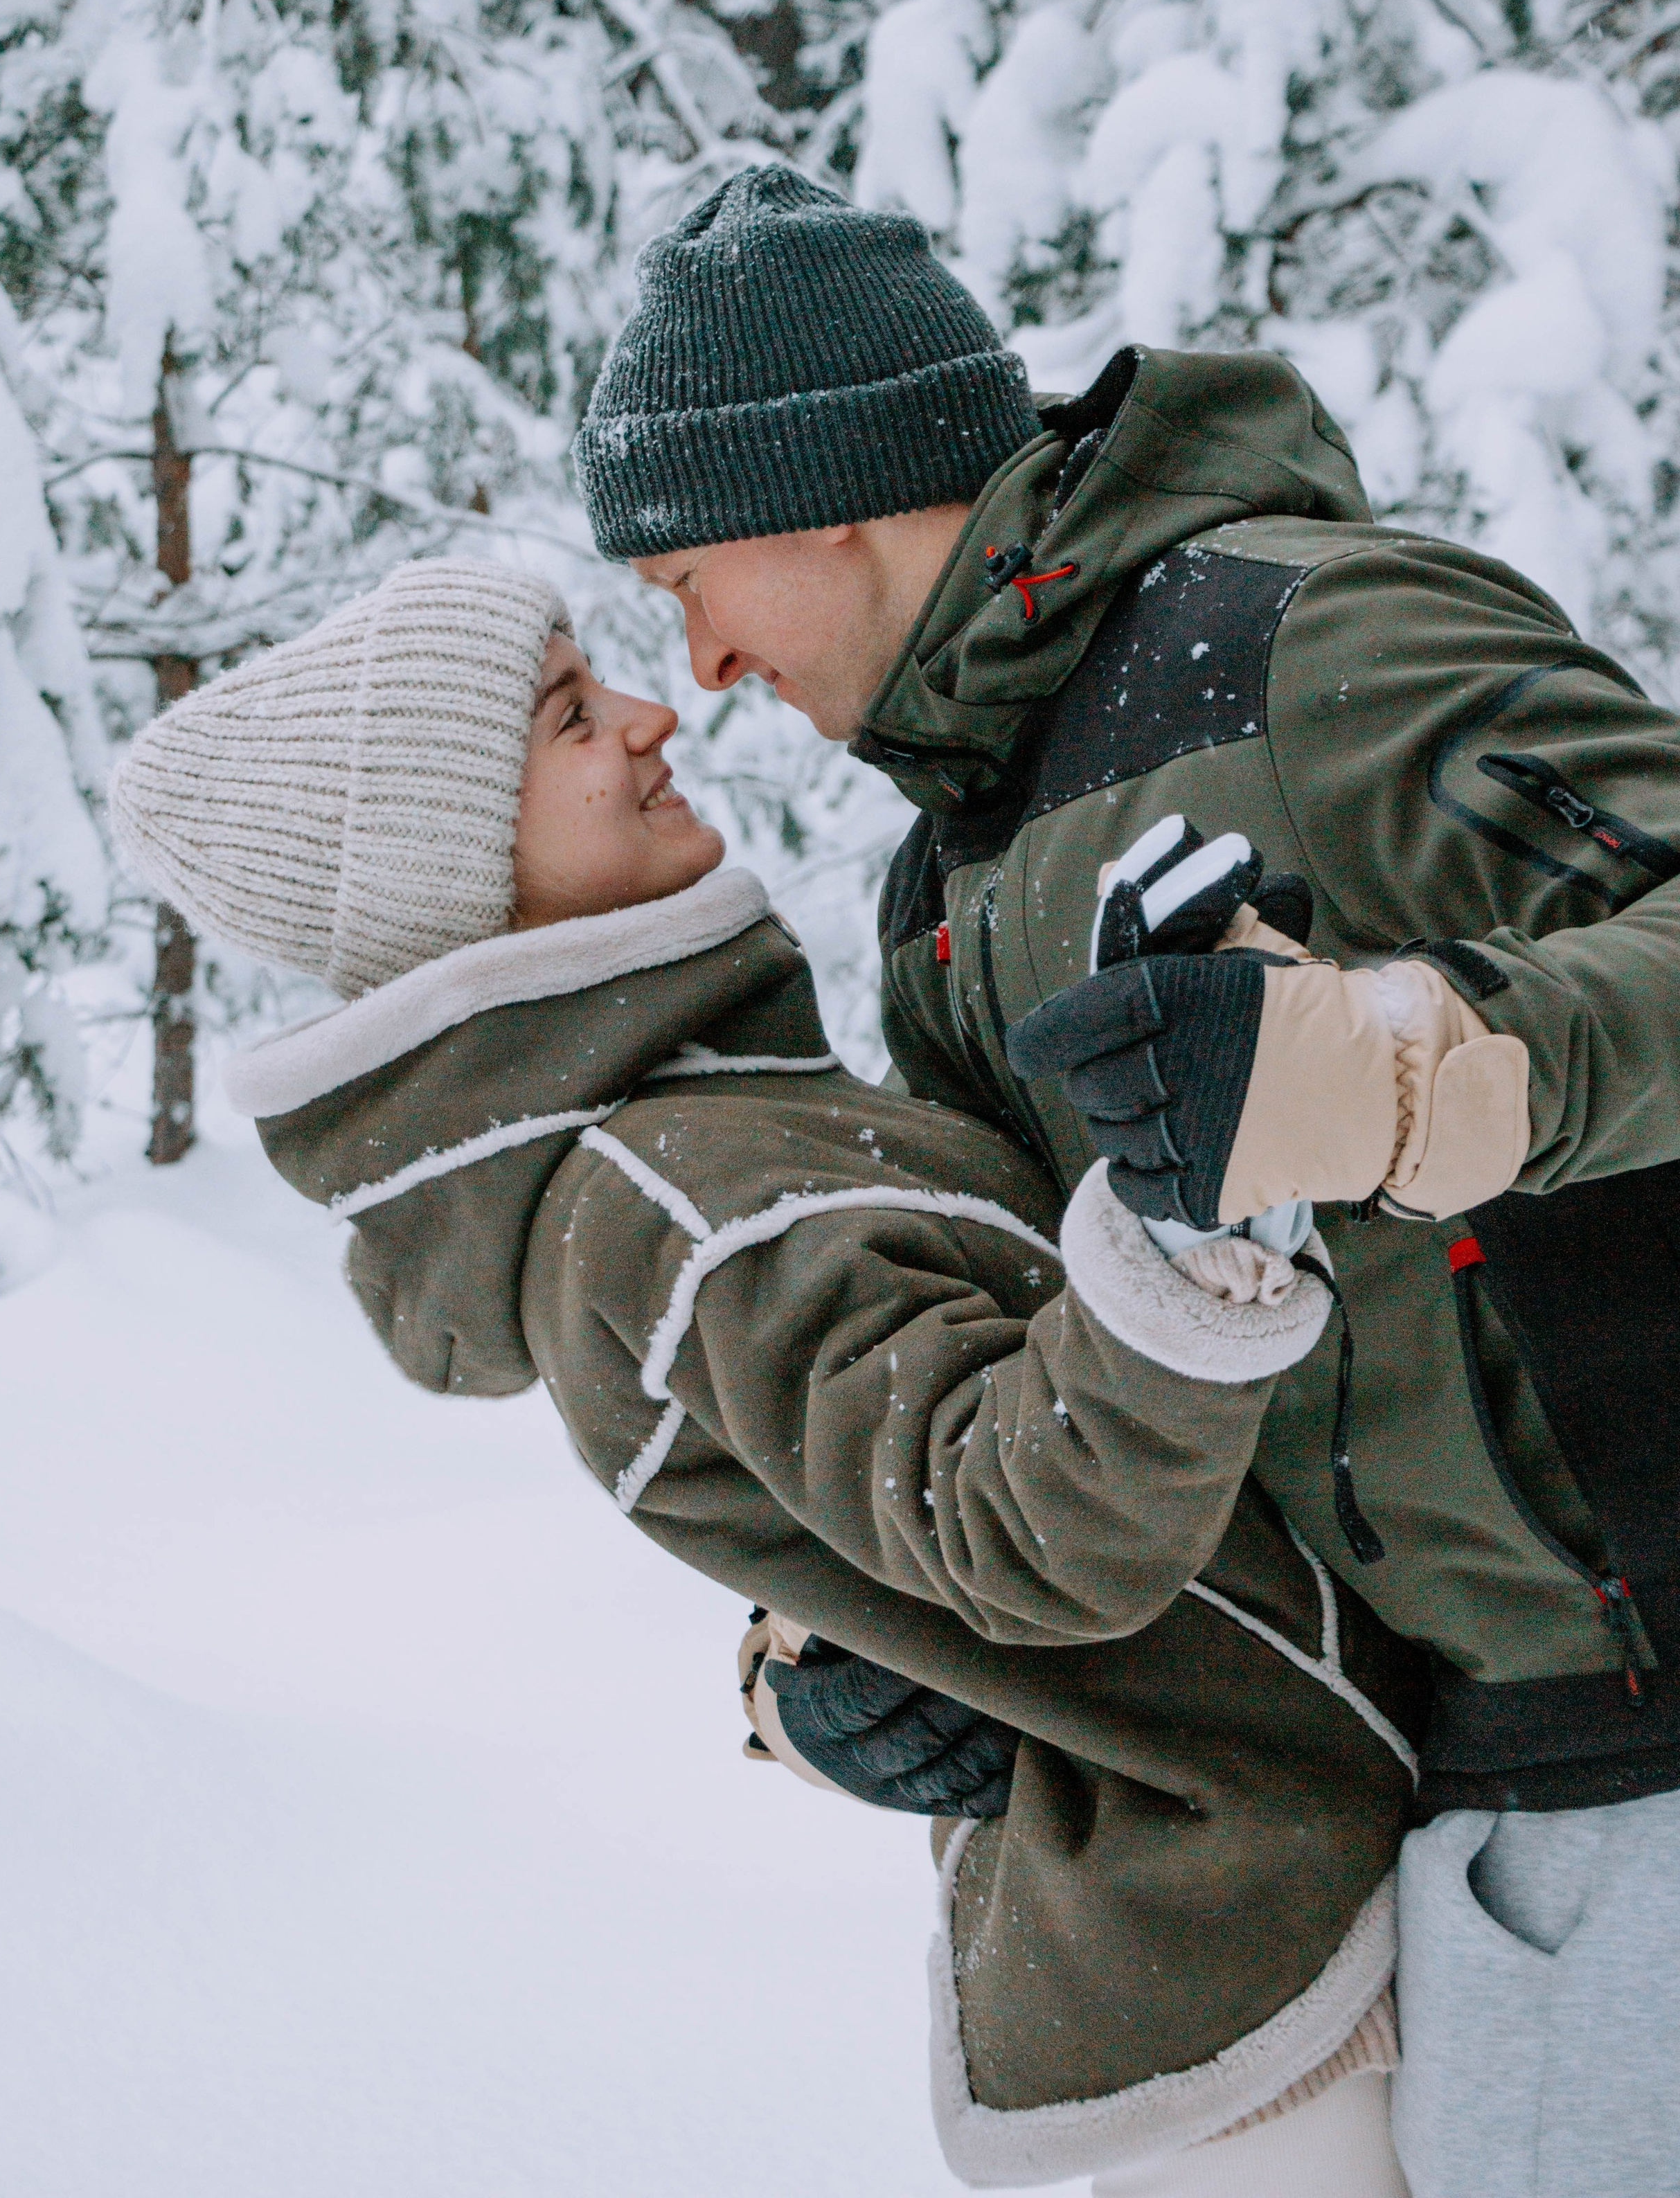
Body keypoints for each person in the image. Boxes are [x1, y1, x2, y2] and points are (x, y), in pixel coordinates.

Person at [579, 163, 1680, 2198]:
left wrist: (1395, 1073)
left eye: (684, 583)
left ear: (828, 490)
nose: (701, 667)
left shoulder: (1311, 643)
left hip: (1634, 1717)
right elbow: (1037, 1374)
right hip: (1434, 1782)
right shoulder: (951, 886)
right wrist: (856, 1657)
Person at [109, 555, 1421, 2195]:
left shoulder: (724, 1123)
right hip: (1250, 1975)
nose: (656, 717)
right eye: (572, 718)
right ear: (454, 872)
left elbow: (880, 1485)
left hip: (1287, 1883)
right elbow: (1023, 1529)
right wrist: (1181, 1222)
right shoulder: (661, 1200)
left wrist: (811, 1653)